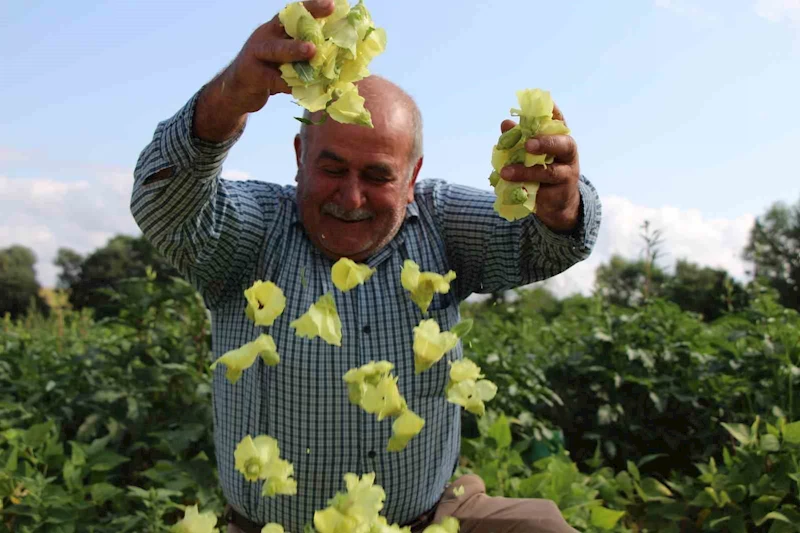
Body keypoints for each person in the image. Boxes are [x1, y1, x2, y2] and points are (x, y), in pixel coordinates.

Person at [129, 1, 601, 531]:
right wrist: (228, 99)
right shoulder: (253, 233)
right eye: (332, 168)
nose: (351, 199)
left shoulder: (440, 221)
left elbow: (549, 245)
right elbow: (162, 206)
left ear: (412, 174)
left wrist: (561, 206)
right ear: (298, 156)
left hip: (427, 519)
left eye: (377, 176)